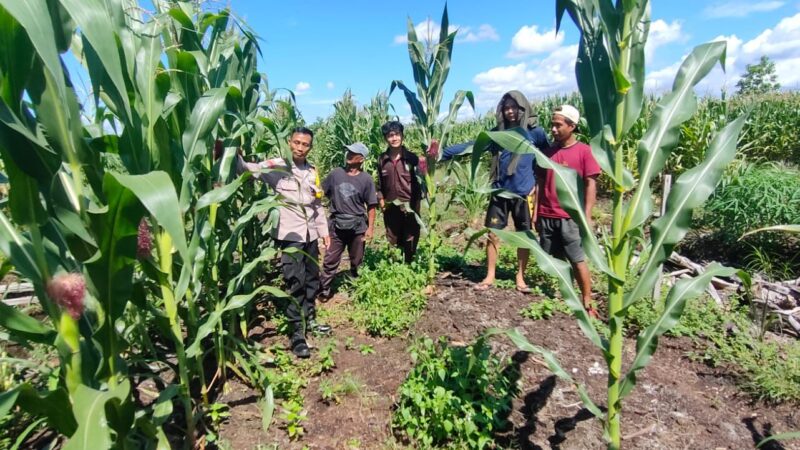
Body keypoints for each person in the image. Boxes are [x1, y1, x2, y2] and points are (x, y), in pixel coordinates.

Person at [236, 127, 331, 358]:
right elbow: (248, 169)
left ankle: (310, 319)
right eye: (296, 142)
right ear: (289, 142)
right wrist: (233, 154)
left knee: (311, 280)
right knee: (295, 282)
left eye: (305, 144)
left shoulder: (311, 171)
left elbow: (317, 204)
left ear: (310, 147)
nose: (300, 148)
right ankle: (297, 334)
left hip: (310, 235)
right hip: (290, 236)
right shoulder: (277, 166)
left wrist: (324, 231)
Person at [474, 90, 550, 293]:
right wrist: (443, 153)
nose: (510, 111)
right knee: (493, 234)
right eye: (506, 108)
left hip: (523, 194)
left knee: (524, 235)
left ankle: (521, 277)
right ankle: (490, 275)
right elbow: (474, 146)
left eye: (513, 107)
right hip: (499, 192)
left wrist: (537, 181)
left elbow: (548, 158)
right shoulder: (497, 133)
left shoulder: (535, 133)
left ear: (522, 108)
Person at [536, 105, 601, 318]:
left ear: (572, 126)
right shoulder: (547, 153)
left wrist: (587, 214)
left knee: (577, 259)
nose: (553, 129)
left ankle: (587, 301)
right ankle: (564, 292)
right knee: (555, 258)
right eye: (552, 124)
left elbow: (591, 184)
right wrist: (537, 212)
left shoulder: (584, 152)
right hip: (547, 214)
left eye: (558, 125)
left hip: (570, 217)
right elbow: (540, 183)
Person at [318, 142, 378, 300]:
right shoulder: (335, 174)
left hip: (357, 227)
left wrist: (370, 228)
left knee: (356, 260)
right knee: (330, 259)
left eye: (353, 153)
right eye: (348, 152)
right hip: (336, 225)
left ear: (361, 159)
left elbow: (372, 205)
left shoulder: (366, 179)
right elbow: (321, 192)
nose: (348, 155)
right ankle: (323, 290)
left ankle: (355, 288)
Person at [376, 121, 423, 263]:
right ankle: (395, 266)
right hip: (391, 206)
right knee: (392, 237)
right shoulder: (382, 159)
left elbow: (422, 180)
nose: (394, 138)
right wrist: (381, 201)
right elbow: (379, 184)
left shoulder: (412, 158)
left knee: (411, 236)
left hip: (411, 205)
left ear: (402, 136)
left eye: (397, 134)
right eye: (390, 135)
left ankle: (409, 266)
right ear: (385, 138)